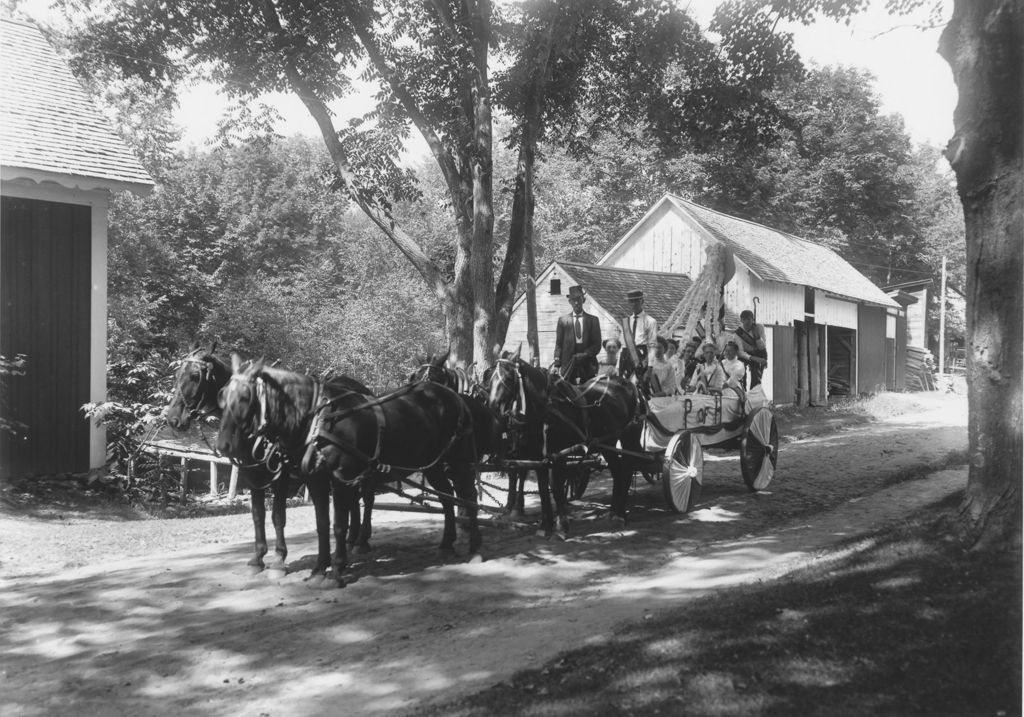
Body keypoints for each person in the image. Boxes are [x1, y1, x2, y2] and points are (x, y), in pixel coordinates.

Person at [552, 285, 602, 384]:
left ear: (583, 300)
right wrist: (557, 363)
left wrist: (585, 354)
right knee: (568, 395)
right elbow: (558, 344)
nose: (576, 303)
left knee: (588, 395)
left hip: (588, 365)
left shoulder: (593, 320)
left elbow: (597, 345)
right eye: (573, 300)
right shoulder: (563, 321)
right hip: (568, 366)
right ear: (569, 302)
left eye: (578, 299)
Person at [618, 289, 658, 384]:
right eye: (631, 301)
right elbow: (622, 346)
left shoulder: (650, 321)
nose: (634, 304)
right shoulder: (625, 322)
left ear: (642, 301)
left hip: (641, 358)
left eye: (637, 300)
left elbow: (652, 346)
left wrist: (650, 367)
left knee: (640, 388)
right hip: (625, 358)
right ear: (628, 302)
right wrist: (618, 367)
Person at [734, 309, 768, 388]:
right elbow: (740, 352)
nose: (746, 322)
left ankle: (754, 392)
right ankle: (743, 391)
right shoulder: (738, 333)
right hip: (745, 355)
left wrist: (757, 337)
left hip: (759, 352)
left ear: (753, 320)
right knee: (740, 369)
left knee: (757, 375)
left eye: (749, 319)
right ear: (741, 320)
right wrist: (752, 358)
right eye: (744, 319)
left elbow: (762, 347)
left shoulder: (759, 327)